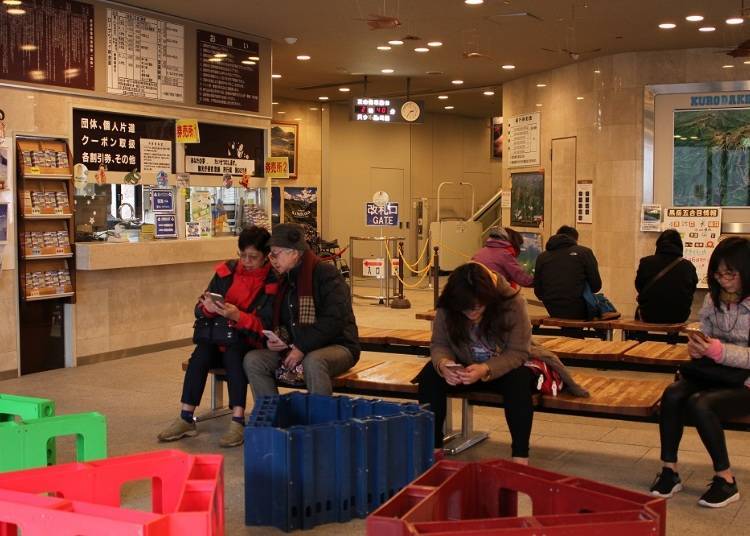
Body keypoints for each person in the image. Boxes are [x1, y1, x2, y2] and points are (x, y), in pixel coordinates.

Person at [415, 262, 587, 463]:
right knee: (429, 375)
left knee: (518, 380)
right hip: (465, 367)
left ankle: (520, 456)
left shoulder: (513, 303)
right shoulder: (451, 303)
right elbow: (439, 344)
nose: (471, 314)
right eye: (465, 310)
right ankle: (433, 450)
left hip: (502, 367)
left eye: (477, 308)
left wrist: (486, 368)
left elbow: (518, 352)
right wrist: (444, 364)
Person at [650, 237, 750, 508]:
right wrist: (696, 346)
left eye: (731, 274)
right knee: (671, 394)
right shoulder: (712, 299)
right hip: (712, 373)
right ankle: (669, 471)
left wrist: (719, 351)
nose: (723, 280)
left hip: (744, 383)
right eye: (718, 274)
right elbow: (704, 334)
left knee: (700, 404)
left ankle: (726, 479)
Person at [158, 226, 273, 448]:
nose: (247, 261)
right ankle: (185, 417)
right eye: (242, 255)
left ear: (265, 256)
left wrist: (238, 316)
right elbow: (199, 308)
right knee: (200, 354)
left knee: (234, 352)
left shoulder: (271, 280)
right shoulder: (226, 271)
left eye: (253, 257)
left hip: (247, 340)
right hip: (218, 335)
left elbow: (267, 322)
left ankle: (238, 420)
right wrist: (209, 308)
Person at [243, 223, 359, 398]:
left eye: (276, 253)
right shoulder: (281, 279)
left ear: (295, 253)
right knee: (253, 360)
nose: (272, 259)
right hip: (294, 345)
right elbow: (269, 315)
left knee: (313, 361)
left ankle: (320, 420)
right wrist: (276, 338)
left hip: (337, 345)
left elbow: (334, 319)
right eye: (270, 254)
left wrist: (302, 347)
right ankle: (272, 414)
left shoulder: (325, 273)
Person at [534, 225, 602, 319]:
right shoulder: (584, 252)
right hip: (580, 310)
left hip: (553, 309)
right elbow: (596, 286)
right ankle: (605, 333)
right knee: (603, 304)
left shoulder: (542, 257)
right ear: (575, 239)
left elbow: (538, 291)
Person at [635, 229, 698, 323]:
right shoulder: (688, 266)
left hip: (649, 315)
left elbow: (639, 286)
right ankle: (673, 337)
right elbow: (691, 289)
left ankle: (639, 337)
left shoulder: (646, 262)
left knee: (639, 311)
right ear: (680, 246)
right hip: (679, 316)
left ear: (658, 245)